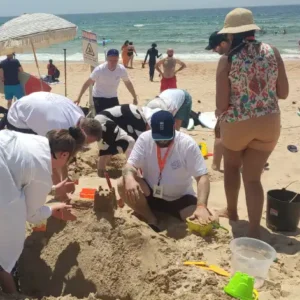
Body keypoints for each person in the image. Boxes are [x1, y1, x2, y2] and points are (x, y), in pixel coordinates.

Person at [216, 8, 289, 238]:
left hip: (238, 123)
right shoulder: (273, 51)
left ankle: (233, 213)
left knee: (231, 166)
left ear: (230, 35)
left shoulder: (227, 59)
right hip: (269, 123)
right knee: (253, 178)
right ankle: (255, 229)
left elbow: (222, 104)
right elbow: (284, 92)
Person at [0, 127, 85, 293]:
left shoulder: (36, 142)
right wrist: (53, 209)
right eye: (70, 160)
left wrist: (52, 189)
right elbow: (31, 215)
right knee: (9, 242)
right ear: (64, 155)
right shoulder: (43, 169)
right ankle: (11, 292)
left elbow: (23, 175)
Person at [117, 110, 215, 231]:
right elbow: (129, 166)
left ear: (174, 127)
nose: (162, 142)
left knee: (207, 221)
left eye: (166, 138)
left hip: (180, 200)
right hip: (151, 193)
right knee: (123, 183)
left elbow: (202, 177)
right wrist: (130, 178)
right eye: (158, 138)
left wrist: (201, 206)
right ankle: (151, 218)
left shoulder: (187, 144)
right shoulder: (144, 139)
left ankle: (214, 212)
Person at [95, 104, 161, 176]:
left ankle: (102, 171)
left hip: (102, 120)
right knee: (130, 143)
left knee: (113, 144)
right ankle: (131, 171)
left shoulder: (140, 116)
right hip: (104, 122)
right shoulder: (143, 122)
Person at [76, 49, 138, 113]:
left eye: (115, 60)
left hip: (113, 96)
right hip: (99, 96)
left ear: (118, 59)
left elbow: (128, 83)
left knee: (116, 117)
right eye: (110, 60)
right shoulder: (99, 70)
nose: (113, 63)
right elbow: (87, 83)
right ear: (107, 59)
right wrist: (79, 98)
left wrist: (134, 97)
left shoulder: (121, 69)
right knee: (102, 118)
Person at [205, 31, 231, 171]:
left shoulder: (227, 59)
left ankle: (215, 165)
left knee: (219, 133)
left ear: (222, 43)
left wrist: (219, 109)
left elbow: (221, 88)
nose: (214, 51)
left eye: (215, 48)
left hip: (230, 108)